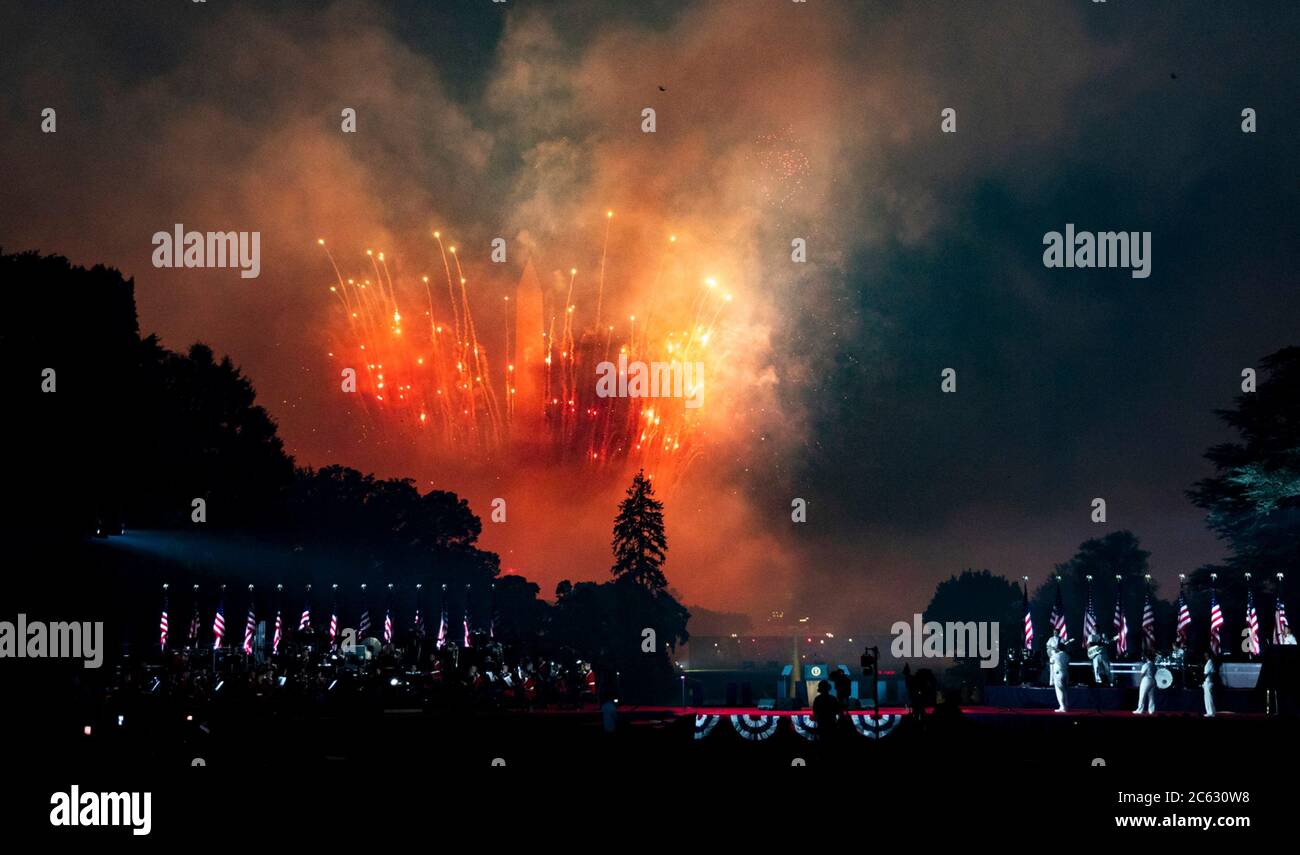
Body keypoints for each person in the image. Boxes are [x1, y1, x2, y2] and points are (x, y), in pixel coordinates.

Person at [1047, 636, 1070, 713]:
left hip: (1058, 674)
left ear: (1058, 648)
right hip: (1066, 673)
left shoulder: (1056, 655)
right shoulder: (1067, 655)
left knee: (1060, 691)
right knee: (1065, 691)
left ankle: (1062, 707)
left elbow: (1051, 661)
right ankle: (1066, 706)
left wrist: (1053, 652)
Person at [1133, 650, 1157, 714]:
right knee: (1151, 696)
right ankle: (1151, 710)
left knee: (1142, 695)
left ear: (1147, 658)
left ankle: (1140, 710)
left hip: (1146, 680)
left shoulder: (1146, 665)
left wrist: (1140, 681)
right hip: (1153, 680)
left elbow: (1142, 674)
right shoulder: (1154, 665)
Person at [1203, 653, 1218, 717]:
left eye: (1206, 655)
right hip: (1208, 682)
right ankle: (1210, 712)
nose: (1205, 657)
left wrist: (1202, 677)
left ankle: (1211, 712)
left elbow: (1206, 673)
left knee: (1209, 698)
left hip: (1209, 682)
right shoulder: (1209, 662)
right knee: (1207, 698)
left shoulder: (1209, 663)